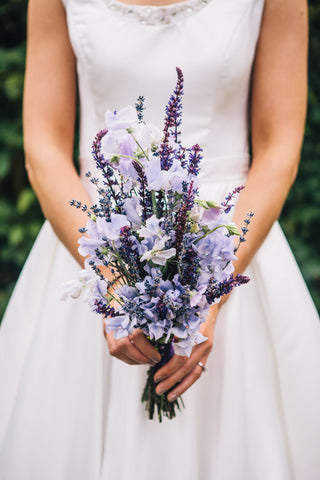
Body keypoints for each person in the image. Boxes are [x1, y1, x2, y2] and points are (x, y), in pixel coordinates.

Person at [0, 0, 320, 478]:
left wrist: (209, 292)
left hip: (229, 241)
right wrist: (115, 284)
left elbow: (279, 147)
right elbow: (43, 146)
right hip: (94, 239)